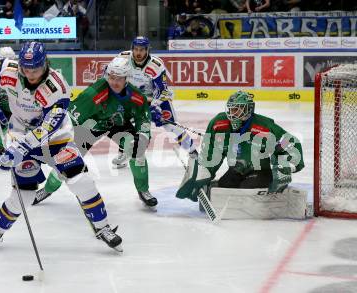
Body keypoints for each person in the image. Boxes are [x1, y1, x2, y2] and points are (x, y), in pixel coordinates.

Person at [0, 41, 122, 252]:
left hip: (57, 139)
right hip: (21, 135)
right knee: (24, 196)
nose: (30, 74)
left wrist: (19, 149)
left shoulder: (57, 87)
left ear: (45, 63)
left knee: (81, 181)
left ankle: (103, 228)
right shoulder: (7, 68)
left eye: (35, 69)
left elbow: (48, 127)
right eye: (26, 69)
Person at [33, 56, 156, 209]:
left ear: (127, 79)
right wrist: (63, 137)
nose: (115, 82)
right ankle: (48, 188)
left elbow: (142, 117)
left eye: (119, 78)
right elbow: (71, 117)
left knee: (137, 149)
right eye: (112, 77)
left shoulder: (136, 96)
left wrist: (143, 136)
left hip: (118, 125)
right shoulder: (94, 93)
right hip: (91, 126)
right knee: (67, 157)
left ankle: (143, 190)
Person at [176, 91, 304, 202]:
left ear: (248, 109)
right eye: (231, 109)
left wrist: (287, 166)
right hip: (237, 170)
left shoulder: (263, 126)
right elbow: (211, 155)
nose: (233, 113)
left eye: (237, 109)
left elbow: (290, 142)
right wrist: (203, 174)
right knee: (221, 188)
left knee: (246, 190)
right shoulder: (219, 124)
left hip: (260, 171)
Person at [113, 36, 197, 168]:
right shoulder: (122, 59)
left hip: (155, 98)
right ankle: (123, 153)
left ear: (147, 50)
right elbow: (113, 80)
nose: (138, 53)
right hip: (132, 99)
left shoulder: (155, 65)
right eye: (136, 49)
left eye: (142, 50)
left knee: (172, 126)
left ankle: (193, 152)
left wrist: (153, 107)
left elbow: (162, 90)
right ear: (132, 49)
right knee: (125, 124)